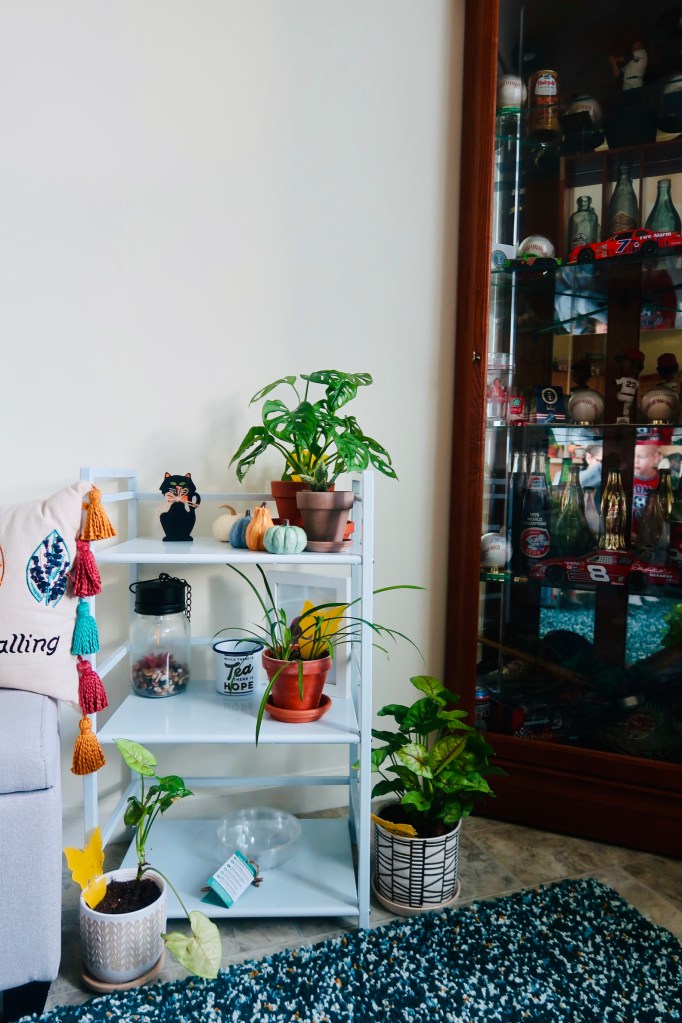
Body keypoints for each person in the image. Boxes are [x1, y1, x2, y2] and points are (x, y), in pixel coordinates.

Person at [632, 440, 661, 540]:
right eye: (632, 455)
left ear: (655, 458)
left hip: (652, 537)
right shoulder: (624, 478)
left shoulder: (661, 481)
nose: (635, 461)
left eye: (641, 457)